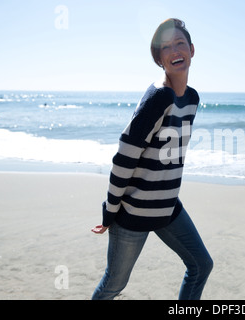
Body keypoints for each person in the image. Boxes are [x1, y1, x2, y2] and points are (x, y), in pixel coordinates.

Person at [91, 18, 213, 300]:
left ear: (192, 50)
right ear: (159, 59)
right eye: (166, 47)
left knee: (201, 265)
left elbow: (170, 157)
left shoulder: (192, 99)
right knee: (114, 285)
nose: (174, 50)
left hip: (168, 208)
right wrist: (110, 212)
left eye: (180, 43)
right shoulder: (158, 97)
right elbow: (124, 158)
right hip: (133, 213)